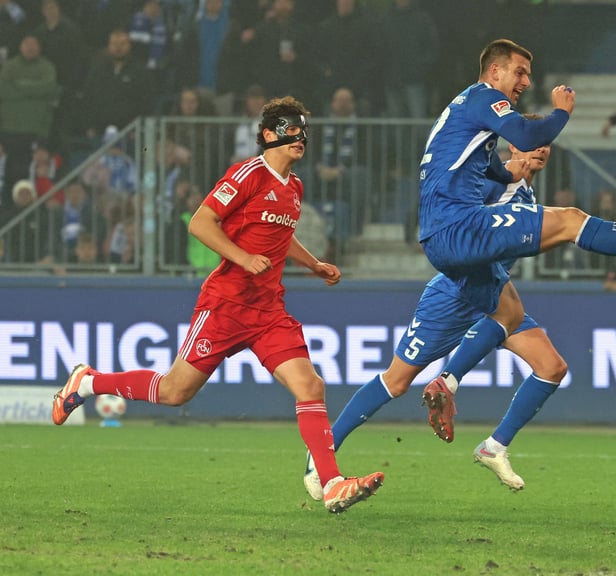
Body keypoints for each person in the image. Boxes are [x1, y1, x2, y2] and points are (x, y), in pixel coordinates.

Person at [51, 96, 384, 514]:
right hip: (225, 305)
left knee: (310, 385)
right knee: (174, 392)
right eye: (290, 128)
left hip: (267, 312)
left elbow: (282, 235)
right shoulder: (247, 173)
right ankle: (88, 382)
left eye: (304, 130)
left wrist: (313, 263)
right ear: (268, 135)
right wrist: (243, 258)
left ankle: (332, 482)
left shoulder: (295, 187)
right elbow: (200, 222)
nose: (300, 137)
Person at [416, 39, 616, 444]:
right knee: (570, 220)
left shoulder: (463, 108)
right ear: (494, 72)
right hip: (458, 226)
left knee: (509, 312)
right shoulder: (483, 98)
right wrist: (562, 111)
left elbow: (483, 164)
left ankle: (447, 385)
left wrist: (509, 173)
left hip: (440, 235)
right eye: (519, 72)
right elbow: (528, 132)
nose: (526, 82)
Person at [304, 141, 566, 499]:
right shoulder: (493, 182)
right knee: (396, 381)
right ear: (510, 144)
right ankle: (322, 452)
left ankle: (494, 446)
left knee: (551, 367)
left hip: (495, 295)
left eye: (546, 146)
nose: (540, 151)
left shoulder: (528, 194)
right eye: (532, 143)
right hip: (455, 294)